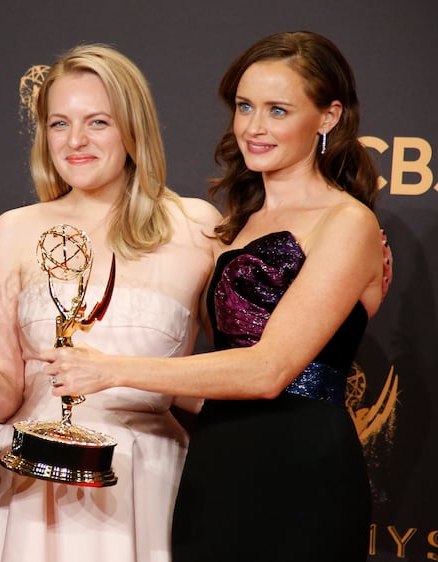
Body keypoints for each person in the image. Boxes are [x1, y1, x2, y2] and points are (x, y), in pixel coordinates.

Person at [40, 31, 382, 561]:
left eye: (277, 110)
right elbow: (198, 365)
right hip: (215, 463)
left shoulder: (348, 222)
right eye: (245, 107)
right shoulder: (232, 225)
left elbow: (267, 370)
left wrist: (111, 369)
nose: (253, 127)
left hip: (301, 469)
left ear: (329, 117)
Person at [0, 44, 221, 561]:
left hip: (142, 478)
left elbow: (235, 371)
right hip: (25, 480)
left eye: (98, 122)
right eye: (59, 124)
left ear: (134, 127)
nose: (76, 141)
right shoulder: (12, 232)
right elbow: (6, 391)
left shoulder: (198, 227)